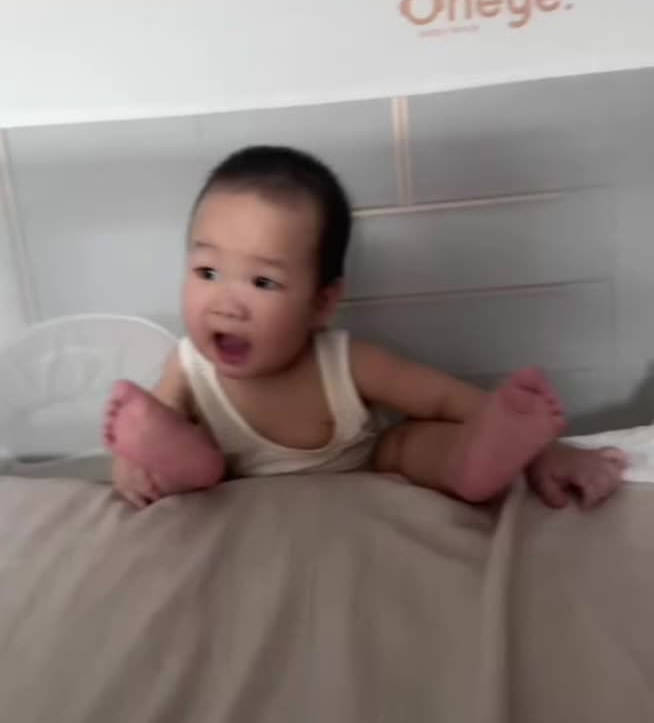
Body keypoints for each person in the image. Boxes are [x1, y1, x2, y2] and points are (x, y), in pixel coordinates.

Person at [105, 146, 626, 510]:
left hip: (364, 464)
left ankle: (478, 461)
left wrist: (546, 449)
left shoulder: (344, 362)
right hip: (220, 473)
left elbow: (443, 397)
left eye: (263, 282)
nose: (226, 304)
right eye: (207, 272)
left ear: (322, 303)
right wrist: (133, 460)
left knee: (409, 442)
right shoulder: (189, 366)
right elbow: (154, 424)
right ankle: (184, 466)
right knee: (183, 447)